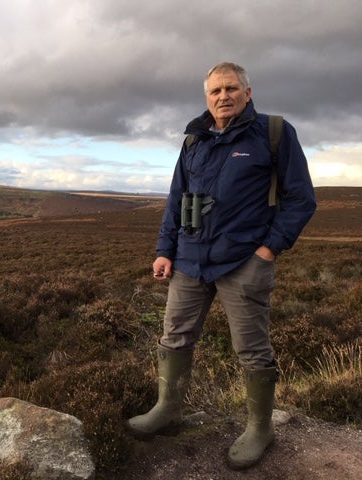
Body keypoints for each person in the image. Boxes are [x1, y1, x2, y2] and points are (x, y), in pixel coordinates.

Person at [127, 62, 316, 470]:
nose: (223, 96)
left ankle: (260, 428)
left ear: (248, 93)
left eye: (231, 88)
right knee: (174, 336)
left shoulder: (273, 133)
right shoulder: (194, 138)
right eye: (215, 91)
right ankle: (168, 409)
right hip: (191, 260)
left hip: (244, 261)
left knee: (251, 348)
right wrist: (165, 249)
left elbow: (302, 199)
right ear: (206, 97)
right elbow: (177, 197)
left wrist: (268, 250)